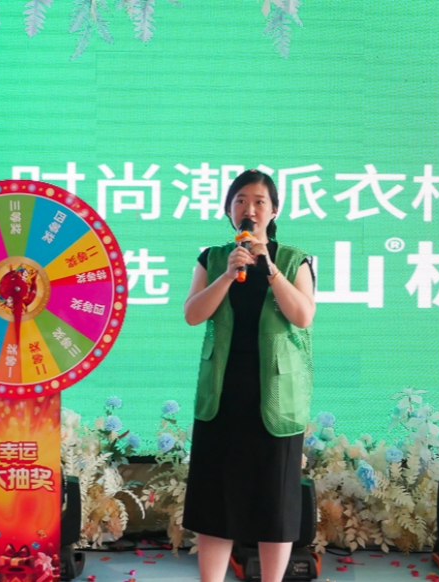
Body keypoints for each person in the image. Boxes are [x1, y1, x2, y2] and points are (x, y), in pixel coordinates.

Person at [181, 169, 316, 582]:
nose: (249, 209)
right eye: (240, 200)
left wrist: (269, 268)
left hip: (276, 394)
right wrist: (227, 274)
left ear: (274, 211)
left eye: (259, 201)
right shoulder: (213, 258)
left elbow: (303, 316)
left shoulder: (293, 259)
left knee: (274, 501)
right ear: (228, 209)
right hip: (223, 392)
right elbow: (193, 314)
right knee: (215, 501)